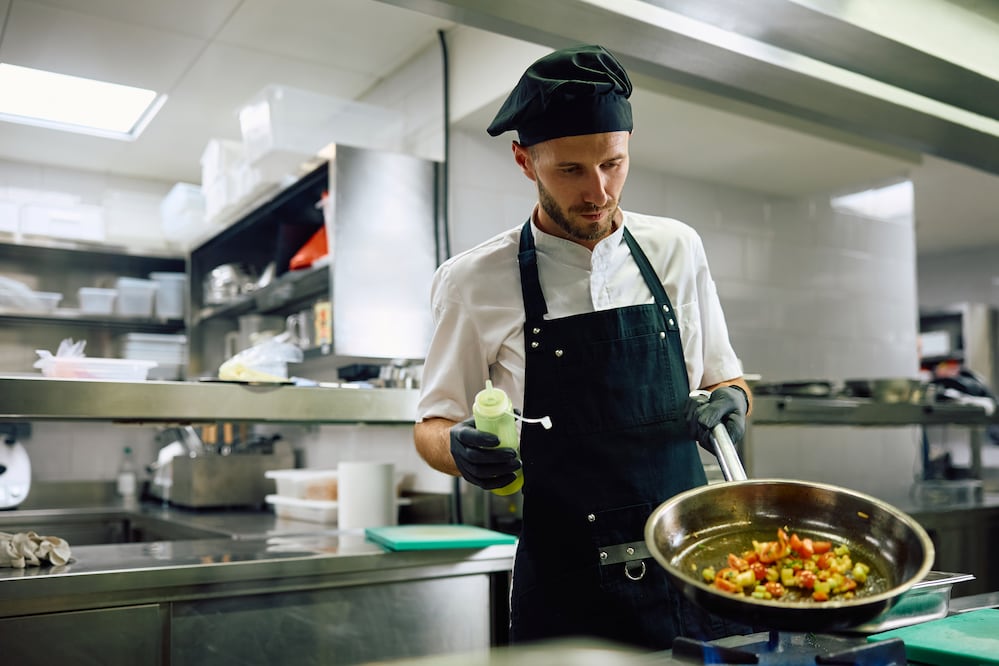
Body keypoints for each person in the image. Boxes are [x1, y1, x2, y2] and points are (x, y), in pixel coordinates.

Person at [413, 44, 753, 650]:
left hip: (691, 568)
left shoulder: (677, 248)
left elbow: (724, 381)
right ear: (525, 161)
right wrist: (458, 451)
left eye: (613, 164)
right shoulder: (471, 281)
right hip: (565, 583)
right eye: (570, 170)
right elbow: (432, 426)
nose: (598, 191)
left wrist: (735, 402)